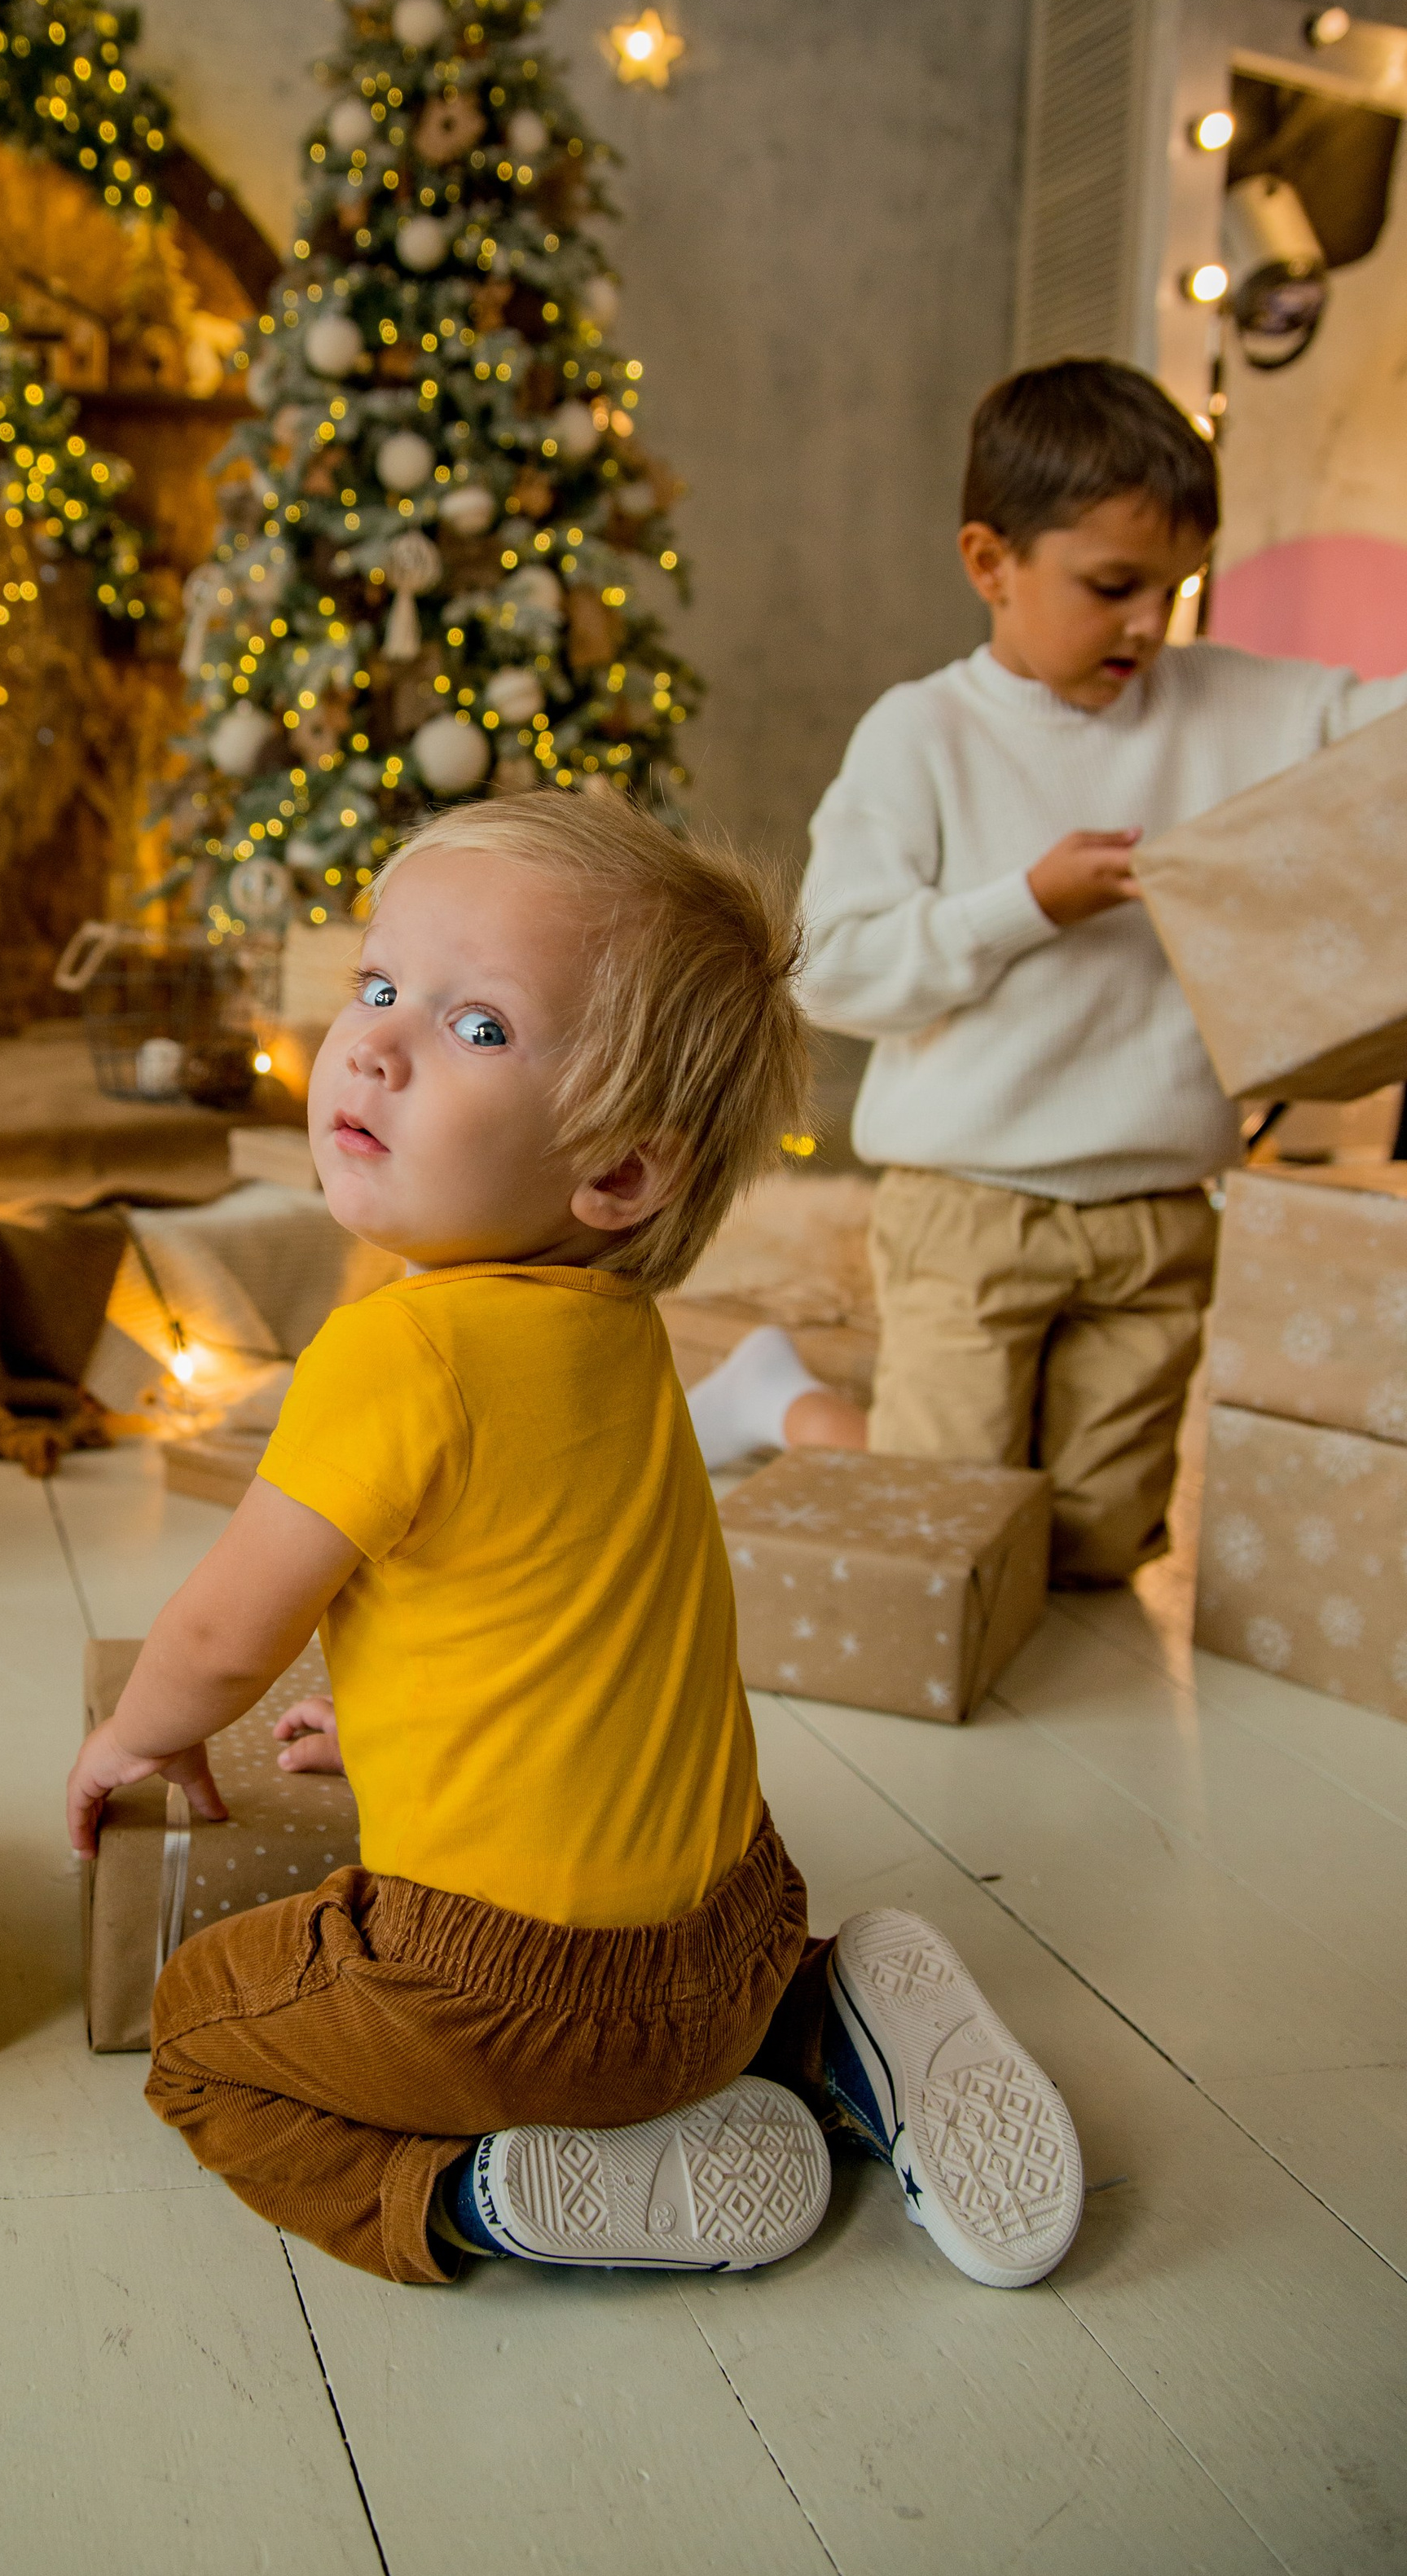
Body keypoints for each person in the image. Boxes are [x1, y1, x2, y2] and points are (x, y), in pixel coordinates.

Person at [66, 797, 1084, 2288]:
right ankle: (821, 2027)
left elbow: (223, 1636)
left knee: (202, 2037)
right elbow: (561, 1616)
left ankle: (476, 2192)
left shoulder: (396, 1351)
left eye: (477, 1027)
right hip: (740, 1927)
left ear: (617, 1174)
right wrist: (397, 1730)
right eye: (378, 985)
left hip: (507, 2003)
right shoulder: (620, 1331)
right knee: (683, 1990)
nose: (376, 1046)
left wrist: (139, 1737)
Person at [686, 358, 1407, 1586]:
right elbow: (834, 972)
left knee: (1093, 1546)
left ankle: (843, 1424)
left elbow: (1376, 732)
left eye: (1176, 590)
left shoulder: (1232, 705)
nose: (1150, 625)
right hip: (972, 1201)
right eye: (1114, 587)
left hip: (1157, 1204)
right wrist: (1025, 906)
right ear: (991, 563)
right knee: (950, 1522)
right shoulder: (922, 735)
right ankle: (783, 1399)